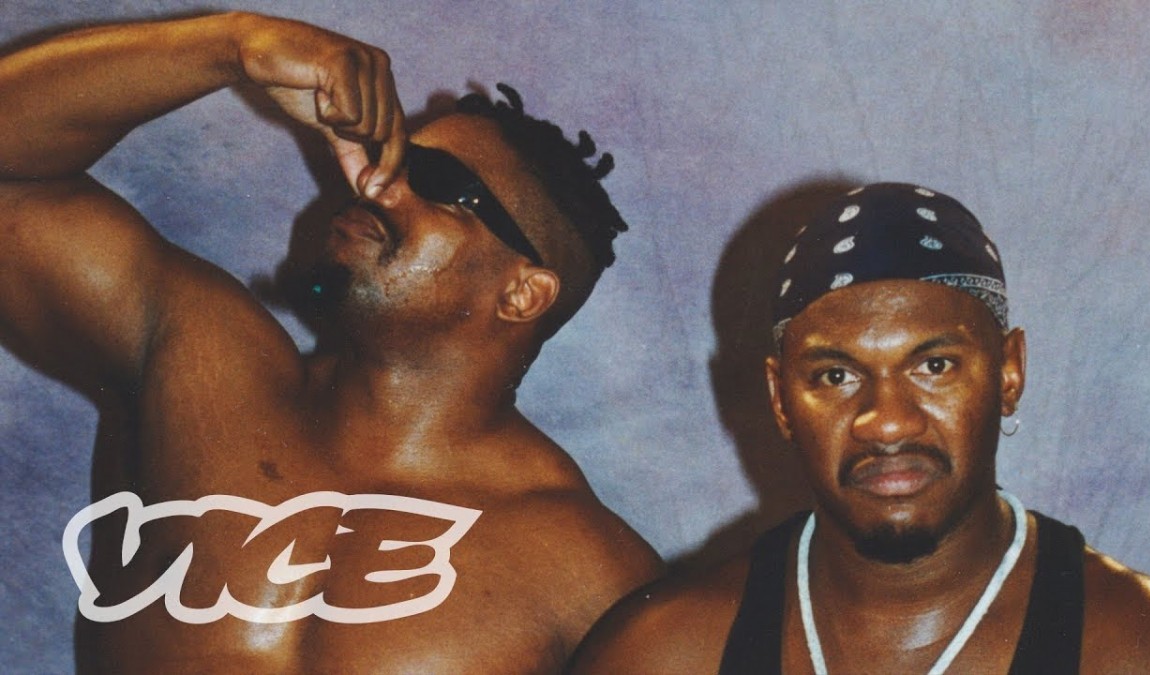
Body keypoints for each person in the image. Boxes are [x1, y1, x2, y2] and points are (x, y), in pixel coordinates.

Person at [0, 11, 661, 674]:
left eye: (436, 181)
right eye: (388, 160)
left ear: (523, 293)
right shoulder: (202, 370)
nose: (375, 182)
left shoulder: (590, 575)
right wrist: (234, 46)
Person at [570, 183, 1150, 673]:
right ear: (780, 398)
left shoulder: (1142, 650)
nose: (888, 422)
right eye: (836, 376)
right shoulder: (665, 653)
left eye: (934, 366)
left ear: (1009, 372)